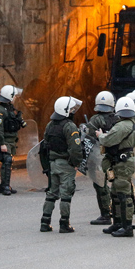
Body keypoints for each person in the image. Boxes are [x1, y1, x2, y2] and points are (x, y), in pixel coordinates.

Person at [40, 96, 83, 233]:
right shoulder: (70, 126)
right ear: (65, 110)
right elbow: (75, 149)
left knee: (51, 194)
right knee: (66, 195)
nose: (73, 111)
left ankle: (44, 222)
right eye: (71, 109)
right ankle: (64, 224)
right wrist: (76, 163)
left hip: (52, 164)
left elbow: (44, 146)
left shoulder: (50, 125)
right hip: (66, 165)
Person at [97, 96, 135, 237]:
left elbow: (108, 140)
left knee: (123, 194)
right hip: (122, 162)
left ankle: (127, 227)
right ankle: (118, 223)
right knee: (115, 193)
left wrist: (100, 136)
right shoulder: (133, 124)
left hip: (122, 163)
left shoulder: (122, 125)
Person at [83, 90, 115, 225]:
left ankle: (105, 214)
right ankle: (116, 211)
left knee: (100, 185)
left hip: (100, 156)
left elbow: (88, 138)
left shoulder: (95, 119)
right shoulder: (118, 118)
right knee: (116, 183)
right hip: (115, 156)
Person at [0, 84, 25, 196]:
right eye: (14, 96)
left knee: (8, 163)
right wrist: (1, 143)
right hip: (5, 140)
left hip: (12, 140)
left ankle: (5, 185)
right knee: (7, 161)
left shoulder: (9, 108)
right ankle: (5, 186)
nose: (15, 98)